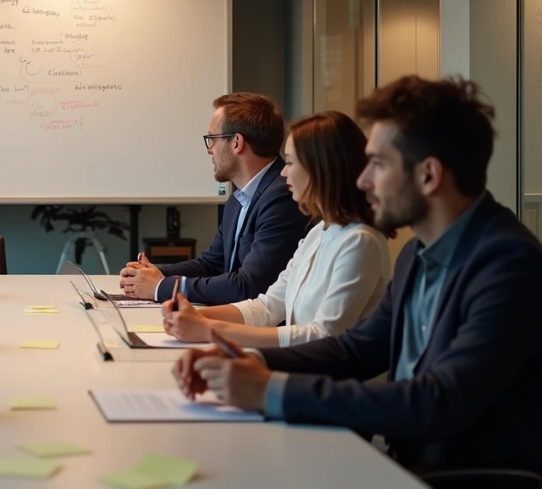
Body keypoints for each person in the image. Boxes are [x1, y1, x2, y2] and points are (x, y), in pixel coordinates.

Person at [175, 76, 542, 474]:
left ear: (429, 176)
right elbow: (355, 350)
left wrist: (269, 388)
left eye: (378, 165)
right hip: (405, 466)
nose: (363, 180)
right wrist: (245, 361)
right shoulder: (418, 254)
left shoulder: (508, 262)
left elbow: (437, 401)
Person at [162, 111, 391, 347]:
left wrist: (208, 329)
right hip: (303, 370)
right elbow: (267, 307)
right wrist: (193, 316)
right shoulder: (318, 233)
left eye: (290, 162)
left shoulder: (360, 242)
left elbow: (323, 335)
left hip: (331, 380)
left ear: (321, 167)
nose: (283, 171)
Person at [120, 92, 311, 304]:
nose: (209, 150)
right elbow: (211, 264)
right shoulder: (240, 197)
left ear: (237, 142)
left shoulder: (282, 196)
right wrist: (153, 274)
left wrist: (161, 286)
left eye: (212, 139)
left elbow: (248, 286)